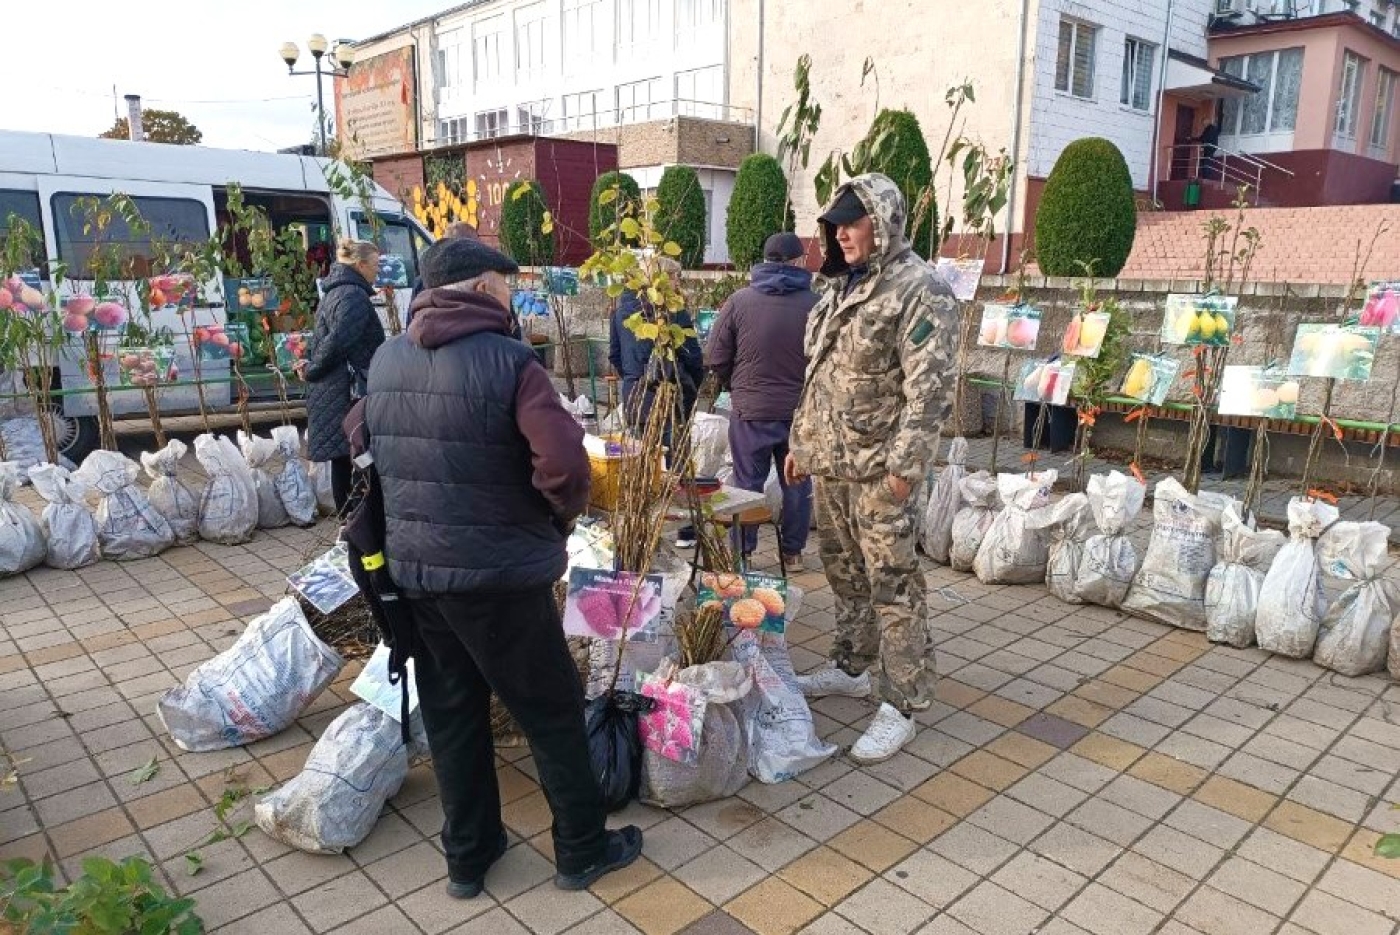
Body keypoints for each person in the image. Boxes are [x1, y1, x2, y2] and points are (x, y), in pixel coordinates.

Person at [362, 236, 643, 898]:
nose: (513, 295)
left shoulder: (385, 359)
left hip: (418, 576)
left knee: (454, 716)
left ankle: (470, 854)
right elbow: (568, 466)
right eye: (506, 283)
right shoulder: (512, 362)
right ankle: (580, 846)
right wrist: (556, 521)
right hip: (499, 578)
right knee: (550, 711)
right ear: (481, 286)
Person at [785, 174, 959, 765]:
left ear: (882, 222)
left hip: (881, 475)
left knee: (893, 585)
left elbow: (928, 392)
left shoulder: (919, 289)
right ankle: (853, 664)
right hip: (833, 467)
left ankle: (902, 700)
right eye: (835, 223)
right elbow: (820, 378)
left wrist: (905, 470)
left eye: (853, 222)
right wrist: (801, 444)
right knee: (844, 575)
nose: (842, 233)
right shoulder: (839, 287)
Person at [707, 232, 816, 572]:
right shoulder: (816, 304)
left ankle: (743, 552)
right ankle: (792, 553)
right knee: (797, 482)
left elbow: (714, 355)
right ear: (798, 262)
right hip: (800, 413)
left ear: (764, 260)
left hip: (751, 409)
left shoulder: (739, 301)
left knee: (746, 482)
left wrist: (735, 385)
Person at [607, 256, 704, 547]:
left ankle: (642, 529)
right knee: (676, 466)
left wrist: (633, 380)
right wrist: (691, 385)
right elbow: (693, 356)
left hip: (636, 397)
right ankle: (686, 531)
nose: (678, 284)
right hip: (669, 396)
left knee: (642, 463)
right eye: (675, 278)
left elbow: (614, 353)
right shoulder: (673, 311)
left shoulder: (621, 310)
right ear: (662, 280)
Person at [302, 239, 386, 512]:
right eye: (375, 265)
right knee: (356, 454)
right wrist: (312, 368)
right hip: (348, 390)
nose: (377, 271)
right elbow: (339, 342)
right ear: (360, 265)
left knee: (343, 456)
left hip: (336, 388)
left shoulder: (337, 291)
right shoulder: (352, 296)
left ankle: (348, 525)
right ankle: (355, 526)